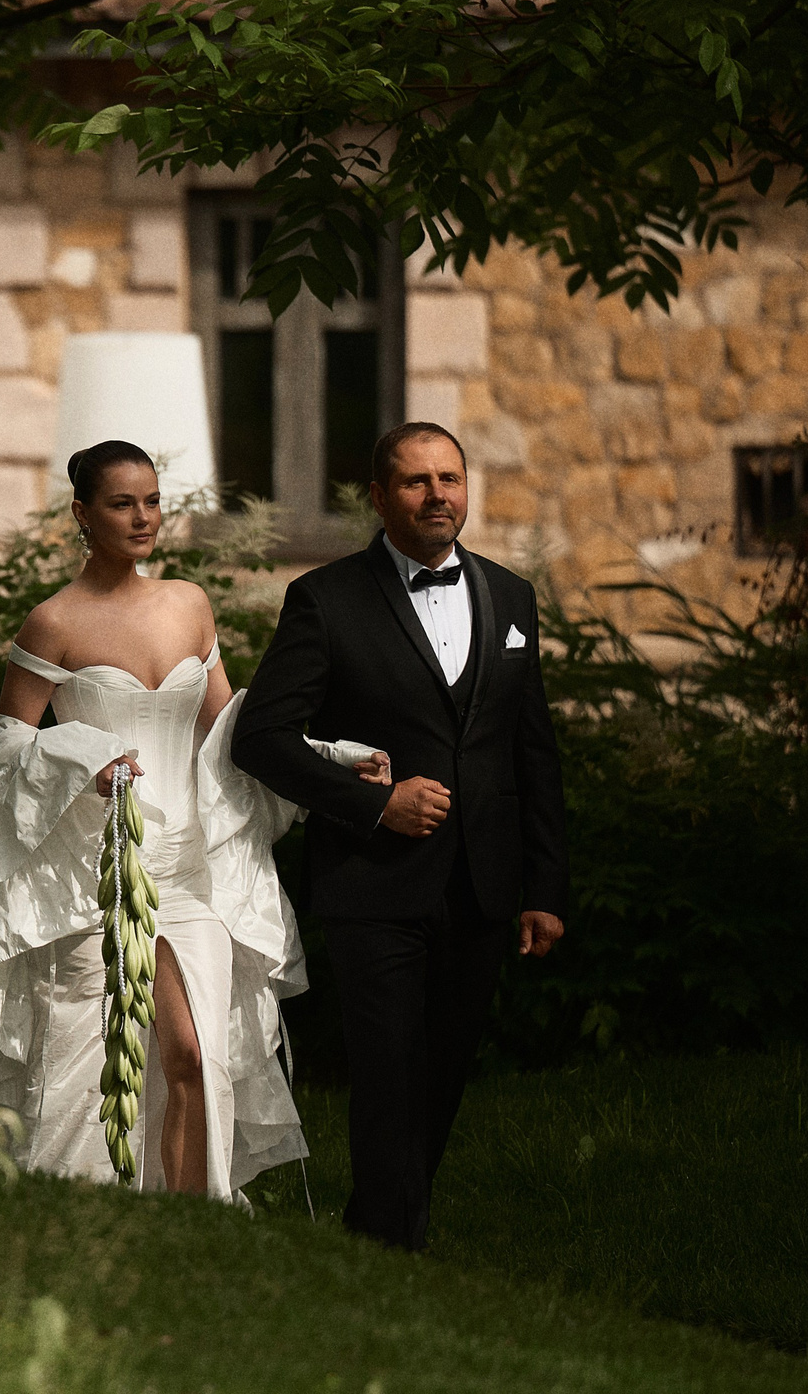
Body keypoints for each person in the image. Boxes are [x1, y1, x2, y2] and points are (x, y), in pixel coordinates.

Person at [0, 440, 385, 1200]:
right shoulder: (53, 622)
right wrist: (81, 762)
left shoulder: (189, 603)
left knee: (194, 1052)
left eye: (153, 501)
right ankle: (73, 1199)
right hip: (94, 869)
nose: (143, 517)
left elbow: (231, 732)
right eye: (122, 503)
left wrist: (330, 758)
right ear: (81, 514)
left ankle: (198, 1215)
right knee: (88, 1047)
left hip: (188, 868)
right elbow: (5, 750)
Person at [231, 421, 571, 1250]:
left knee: (443, 1072)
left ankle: (388, 1229)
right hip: (373, 881)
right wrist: (372, 806)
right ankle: (390, 1244)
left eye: (449, 478)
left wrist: (544, 889)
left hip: (482, 884)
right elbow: (261, 737)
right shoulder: (325, 599)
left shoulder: (511, 597)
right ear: (380, 498)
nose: (437, 496)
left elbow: (533, 753)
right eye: (416, 482)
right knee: (387, 1072)